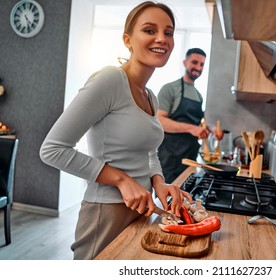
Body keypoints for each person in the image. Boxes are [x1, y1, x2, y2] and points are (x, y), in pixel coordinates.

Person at [39, 1, 192, 260]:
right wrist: (121, 179)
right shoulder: (110, 80)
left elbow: (150, 152)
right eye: (149, 30)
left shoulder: (151, 96)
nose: (161, 39)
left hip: (142, 208)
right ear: (128, 40)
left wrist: (158, 181)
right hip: (106, 212)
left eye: (168, 33)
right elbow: (52, 150)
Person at [157, 48, 212, 183]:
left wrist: (211, 130)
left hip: (190, 158)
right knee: (167, 202)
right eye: (194, 62)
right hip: (170, 158)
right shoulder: (169, 89)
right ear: (185, 62)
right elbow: (159, 121)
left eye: (202, 64)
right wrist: (191, 129)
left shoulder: (199, 95)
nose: (198, 67)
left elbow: (197, 125)